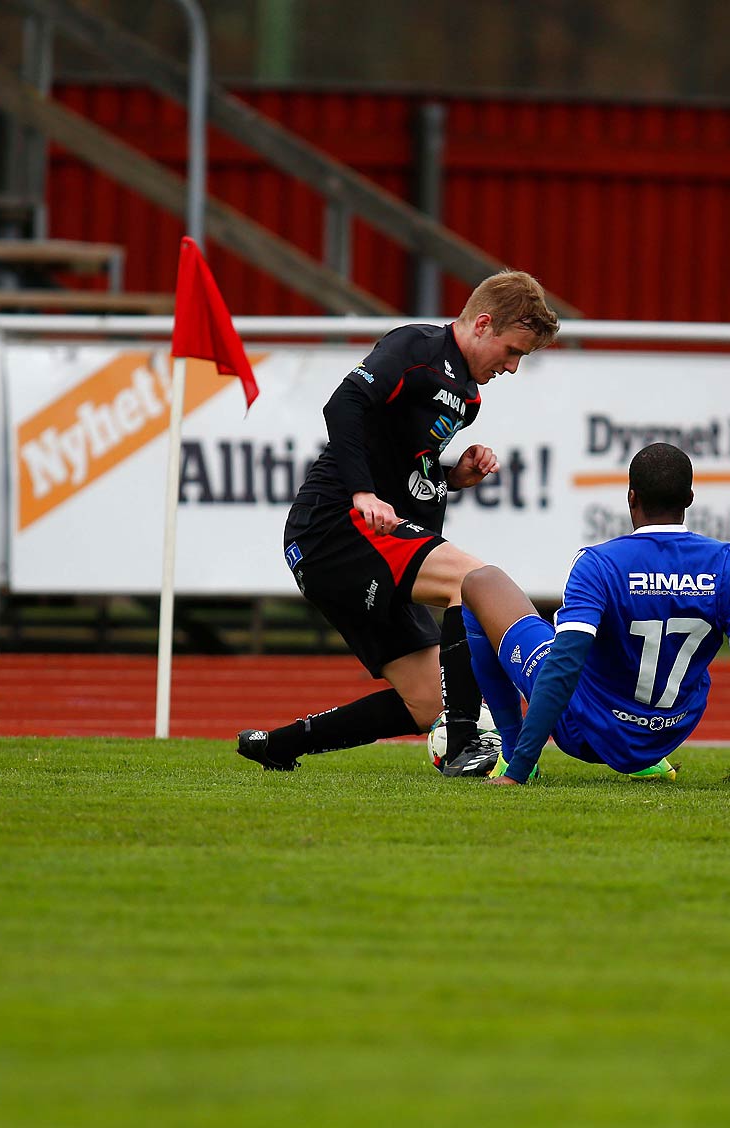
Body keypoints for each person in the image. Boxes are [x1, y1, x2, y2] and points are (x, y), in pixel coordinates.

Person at [237, 271, 559, 775]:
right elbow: (343, 403)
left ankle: (279, 744)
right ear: (482, 324)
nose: (513, 367)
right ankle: (462, 742)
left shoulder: (468, 398)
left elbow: (406, 467)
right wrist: (362, 492)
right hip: (334, 527)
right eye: (513, 351)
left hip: (366, 540)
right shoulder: (416, 347)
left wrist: (454, 476)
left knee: (426, 701)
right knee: (473, 581)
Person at [460, 442, 730, 790]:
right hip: (667, 732)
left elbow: (564, 665)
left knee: (480, 583)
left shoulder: (599, 564)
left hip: (584, 733)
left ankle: (512, 751)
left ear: (631, 497)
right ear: (689, 499)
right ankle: (645, 760)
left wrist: (518, 770)